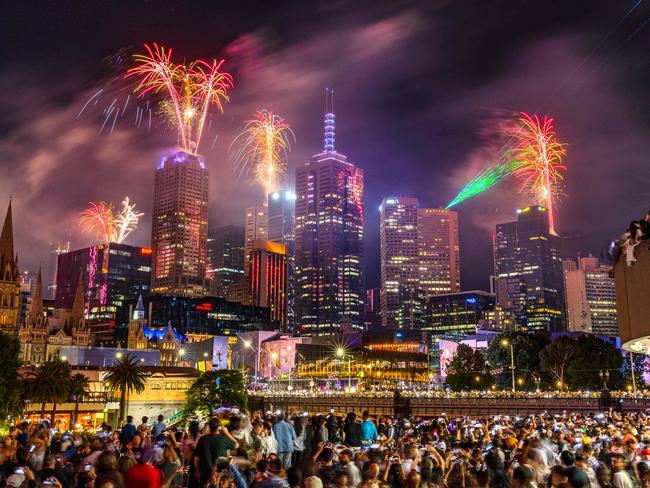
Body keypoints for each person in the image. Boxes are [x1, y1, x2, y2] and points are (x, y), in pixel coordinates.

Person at [193, 417, 239, 487]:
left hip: (205, 475)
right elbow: (237, 445)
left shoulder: (202, 440)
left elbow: (196, 458)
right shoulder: (223, 439)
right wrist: (227, 433)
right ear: (218, 427)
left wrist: (196, 471)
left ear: (209, 427)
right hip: (219, 477)